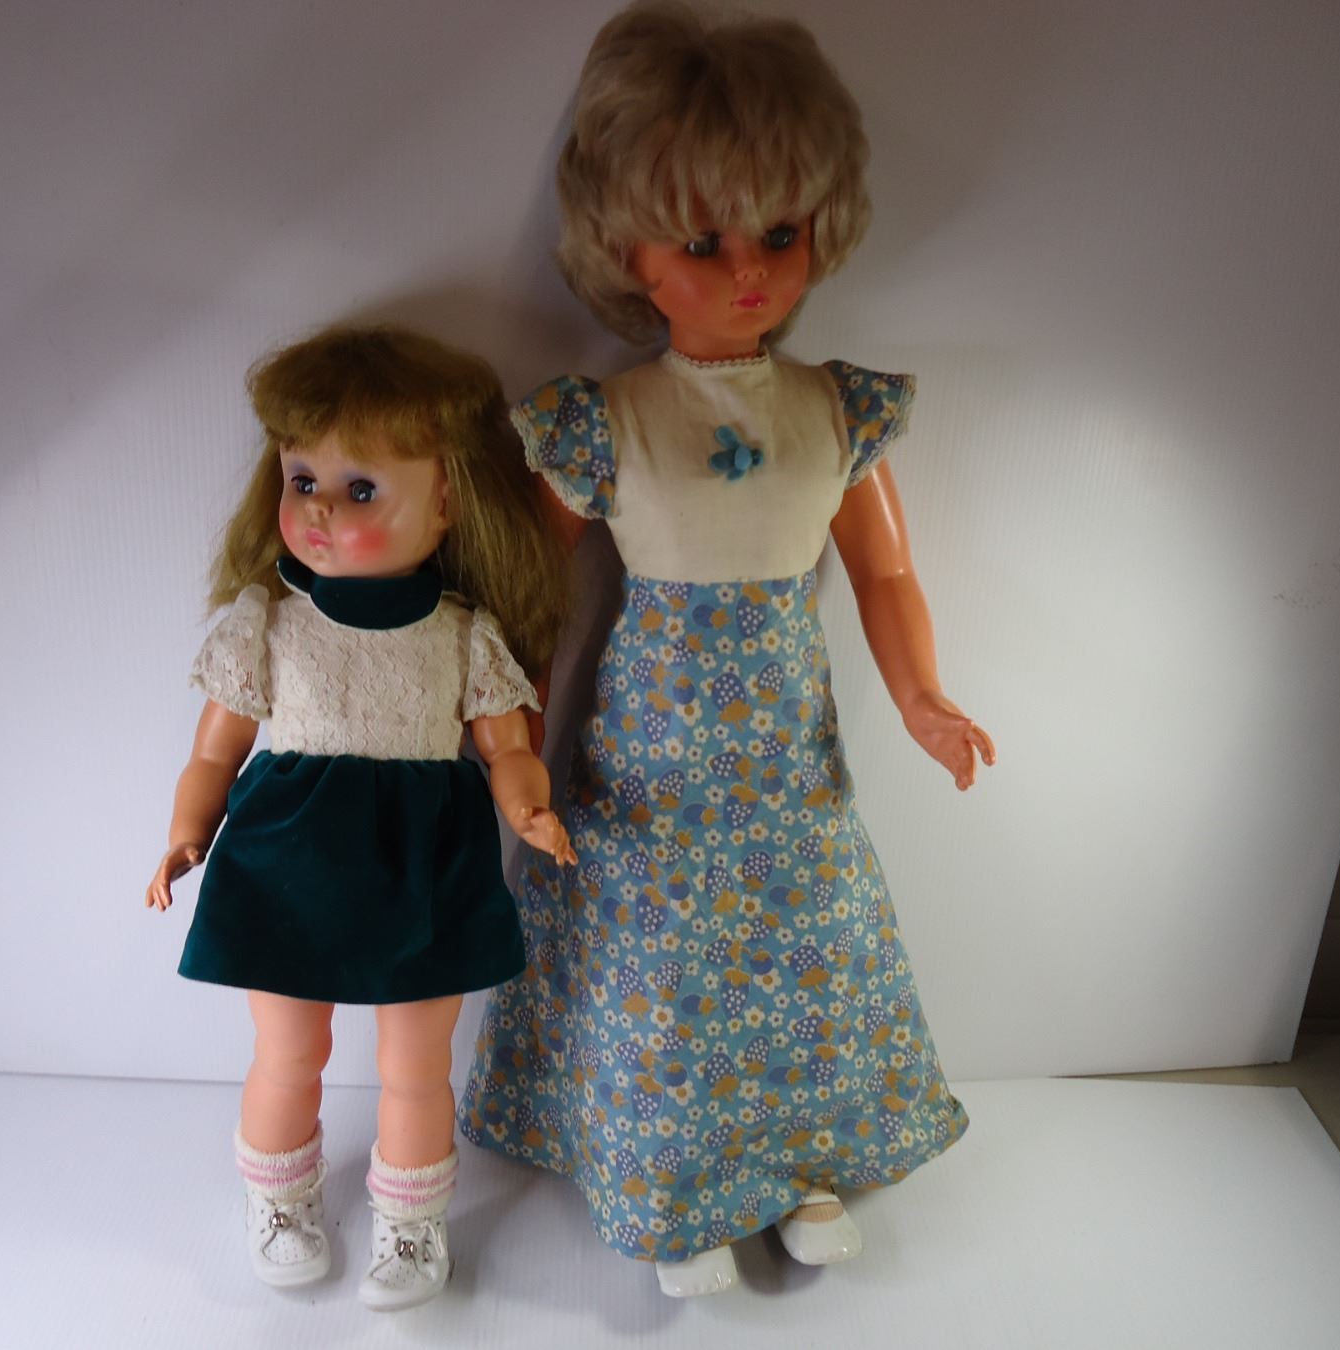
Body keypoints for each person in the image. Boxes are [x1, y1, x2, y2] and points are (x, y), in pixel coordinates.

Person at [459, 1, 995, 1298]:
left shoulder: (835, 412)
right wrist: (513, 747)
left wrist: (922, 693)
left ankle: (804, 1166)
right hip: (650, 759)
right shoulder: (606, 422)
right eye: (702, 243)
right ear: (627, 254)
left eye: (778, 233)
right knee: (656, 968)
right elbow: (528, 595)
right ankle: (670, 1183)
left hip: (790, 758)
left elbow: (887, 571)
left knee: (813, 950)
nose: (748, 270)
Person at [148, 325, 574, 1311]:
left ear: (448, 502)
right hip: (286, 863)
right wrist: (186, 833)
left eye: (362, 489)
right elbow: (215, 750)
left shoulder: (463, 635)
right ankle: (278, 1200)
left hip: (424, 864)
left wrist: (529, 805)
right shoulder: (268, 622)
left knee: (416, 1064)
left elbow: (507, 745)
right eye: (304, 481)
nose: (322, 510)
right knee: (289, 1050)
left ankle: (413, 1223)